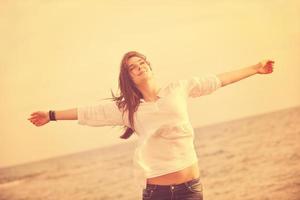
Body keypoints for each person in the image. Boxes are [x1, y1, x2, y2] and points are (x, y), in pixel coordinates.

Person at [27, 51, 274, 200]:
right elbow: (88, 112)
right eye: (132, 68)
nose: (139, 67)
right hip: (157, 193)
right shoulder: (127, 109)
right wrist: (50, 115)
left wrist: (255, 68)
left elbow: (218, 80)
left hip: (190, 189)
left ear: (150, 65)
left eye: (141, 62)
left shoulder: (178, 88)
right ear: (129, 79)